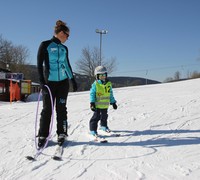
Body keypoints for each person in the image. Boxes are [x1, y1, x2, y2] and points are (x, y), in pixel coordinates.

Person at [37, 20, 77, 148]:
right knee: (47, 109)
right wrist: (42, 82)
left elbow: (67, 65)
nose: (68, 38)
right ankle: (43, 135)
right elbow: (39, 65)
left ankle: (62, 133)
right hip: (49, 84)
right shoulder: (45, 45)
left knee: (61, 109)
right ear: (60, 33)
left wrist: (73, 80)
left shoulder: (64, 48)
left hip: (63, 84)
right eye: (67, 35)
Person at [89, 66, 117, 137]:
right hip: (97, 105)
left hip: (105, 105)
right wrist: (92, 103)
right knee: (96, 118)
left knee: (104, 116)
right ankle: (93, 130)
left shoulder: (108, 84)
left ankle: (103, 126)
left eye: (104, 75)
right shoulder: (96, 84)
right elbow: (92, 94)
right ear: (97, 76)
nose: (103, 77)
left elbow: (110, 94)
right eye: (101, 75)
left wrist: (113, 102)